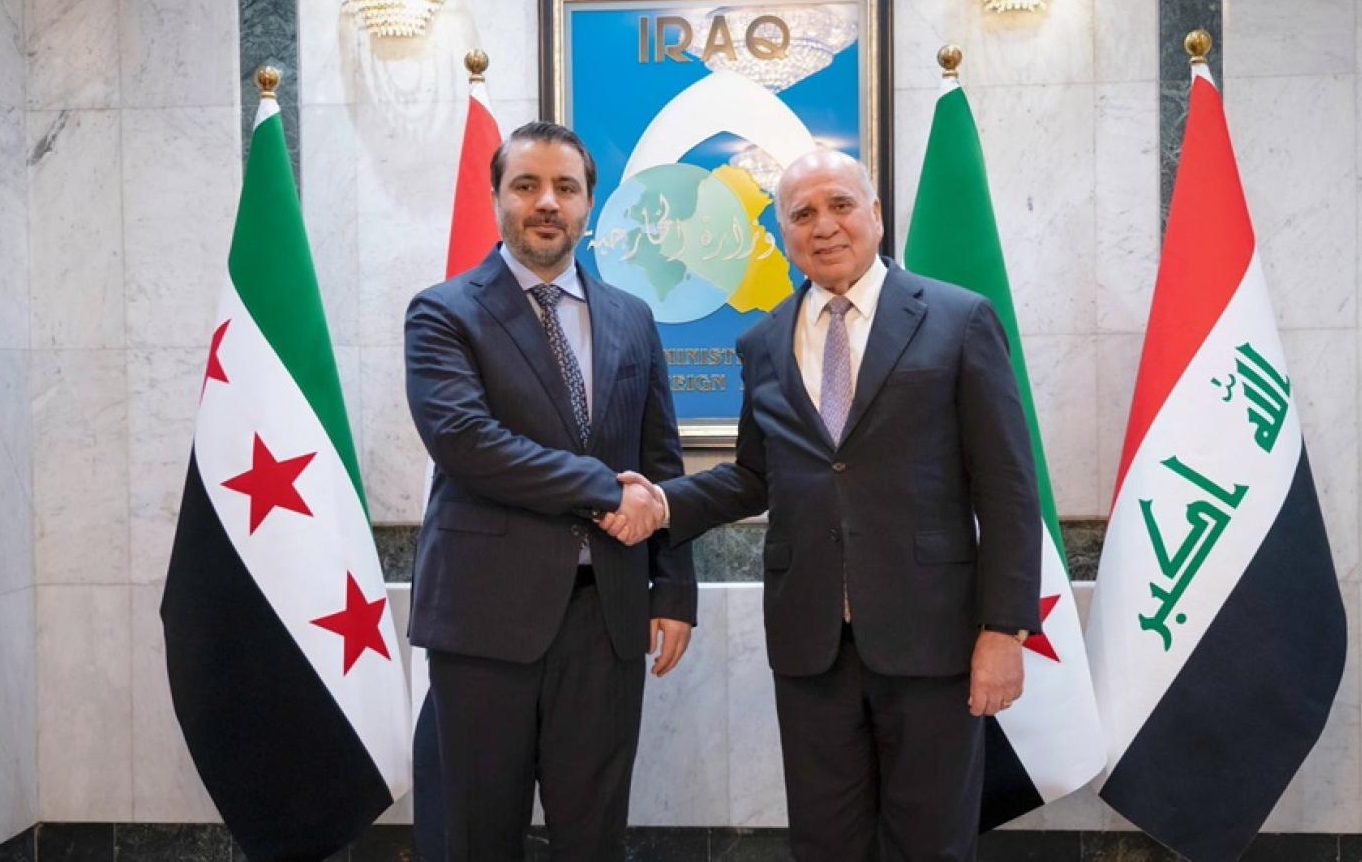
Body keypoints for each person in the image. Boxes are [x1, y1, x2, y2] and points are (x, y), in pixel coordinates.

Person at [602, 149, 1041, 861]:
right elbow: (754, 475)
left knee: (930, 842)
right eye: (802, 213)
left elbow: (1009, 487)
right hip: (811, 644)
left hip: (933, 637)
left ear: (876, 214)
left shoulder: (958, 319)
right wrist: (661, 503)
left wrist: (1005, 629)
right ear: (783, 233)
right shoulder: (763, 341)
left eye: (840, 204)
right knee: (824, 842)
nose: (824, 225)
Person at [404, 120, 697, 862]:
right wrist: (606, 491)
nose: (546, 202)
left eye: (565, 187)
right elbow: (468, 443)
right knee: (479, 836)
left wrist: (673, 589)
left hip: (607, 617)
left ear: (589, 204)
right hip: (483, 617)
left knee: (594, 837)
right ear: (497, 197)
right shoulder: (443, 312)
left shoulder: (632, 317)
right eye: (526, 185)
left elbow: (660, 460)